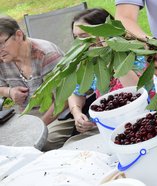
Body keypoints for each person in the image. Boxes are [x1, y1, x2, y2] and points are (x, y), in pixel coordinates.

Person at [63, 8, 146, 143]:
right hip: (107, 128)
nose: (79, 42)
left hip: (139, 124)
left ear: (105, 33)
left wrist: (111, 52)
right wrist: (77, 113)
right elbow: (75, 92)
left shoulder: (133, 53)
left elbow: (136, 90)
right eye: (76, 37)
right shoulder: (91, 62)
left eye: (84, 36)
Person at [0, 15, 65, 148]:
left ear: (18, 35)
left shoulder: (46, 54)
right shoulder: (3, 58)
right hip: (27, 115)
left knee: (41, 143)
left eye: (0, 43)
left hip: (58, 115)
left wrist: (37, 127)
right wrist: (10, 91)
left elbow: (63, 100)